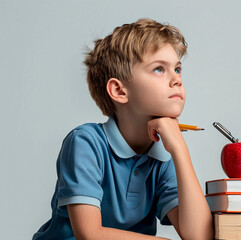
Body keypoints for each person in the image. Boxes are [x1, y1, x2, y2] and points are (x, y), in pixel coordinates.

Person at [33, 18, 213, 240]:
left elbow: (199, 236)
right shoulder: (85, 142)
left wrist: (179, 149)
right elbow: (90, 234)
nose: (177, 79)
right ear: (119, 91)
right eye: (159, 69)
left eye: (177, 69)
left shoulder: (163, 155)